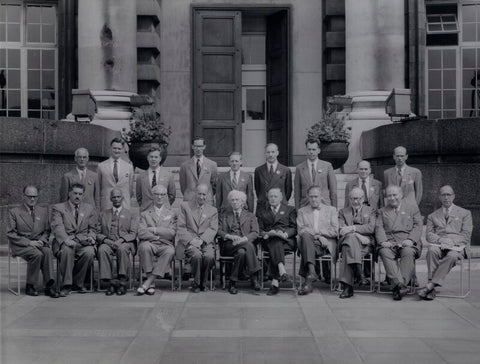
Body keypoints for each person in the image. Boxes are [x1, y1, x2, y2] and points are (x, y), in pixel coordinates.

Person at [419, 185, 473, 300]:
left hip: (458, 246)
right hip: (440, 245)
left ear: (453, 196)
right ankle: (431, 287)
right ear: (439, 197)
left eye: (449, 194)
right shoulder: (432, 216)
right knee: (431, 250)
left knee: (452, 256)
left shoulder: (465, 213)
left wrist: (451, 242)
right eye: (443, 195)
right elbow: (429, 235)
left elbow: (466, 235)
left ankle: (430, 285)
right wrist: (441, 240)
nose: (446, 197)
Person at [7, 185, 60, 298]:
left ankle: (49, 285)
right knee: (37, 254)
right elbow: (10, 233)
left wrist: (41, 240)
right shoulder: (14, 212)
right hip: (21, 245)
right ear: (23, 196)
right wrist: (29, 243)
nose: (32, 199)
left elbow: (47, 230)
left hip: (38, 242)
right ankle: (30, 285)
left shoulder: (43, 211)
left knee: (47, 251)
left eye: (35, 197)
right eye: (29, 196)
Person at [375, 185, 423, 300]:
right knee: (384, 252)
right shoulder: (382, 211)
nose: (392, 198)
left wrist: (411, 240)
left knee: (408, 252)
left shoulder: (412, 208)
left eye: (394, 195)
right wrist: (383, 241)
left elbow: (418, 226)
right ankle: (400, 285)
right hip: (390, 242)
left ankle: (400, 285)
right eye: (389, 195)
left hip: (407, 241)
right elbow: (378, 227)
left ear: (401, 195)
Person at [51, 183, 98, 296]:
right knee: (67, 251)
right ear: (69, 194)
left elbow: (93, 228)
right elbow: (57, 227)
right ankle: (67, 285)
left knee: (89, 252)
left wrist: (91, 237)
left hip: (82, 242)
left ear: (83, 196)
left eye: (80, 194)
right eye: (75, 193)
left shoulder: (89, 208)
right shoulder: (59, 208)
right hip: (65, 241)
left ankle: (78, 282)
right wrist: (66, 240)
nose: (77, 196)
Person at [296, 186, 338, 295]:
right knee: (305, 237)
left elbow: (335, 230)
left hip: (325, 244)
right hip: (311, 242)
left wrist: (320, 234)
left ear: (321, 197)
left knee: (306, 243)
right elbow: (301, 230)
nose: (313, 199)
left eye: (316, 196)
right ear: (307, 197)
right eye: (311, 197)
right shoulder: (302, 211)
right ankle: (311, 273)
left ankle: (309, 279)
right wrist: (318, 236)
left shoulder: (331, 210)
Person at [217, 190, 261, 294]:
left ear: (242, 202)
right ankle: (254, 277)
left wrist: (244, 239)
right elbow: (218, 230)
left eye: (237, 200)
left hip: (244, 243)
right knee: (247, 246)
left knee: (241, 252)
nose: (235, 202)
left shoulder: (250, 215)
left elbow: (255, 232)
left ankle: (232, 283)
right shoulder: (224, 215)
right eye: (232, 200)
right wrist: (230, 236)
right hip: (229, 244)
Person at [177, 184, 218, 292]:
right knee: (197, 256)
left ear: (207, 195)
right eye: (199, 194)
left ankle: (203, 283)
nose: (201, 197)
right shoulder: (185, 206)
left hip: (206, 241)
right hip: (190, 241)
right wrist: (191, 240)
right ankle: (197, 283)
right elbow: (181, 227)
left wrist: (202, 240)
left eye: (204, 194)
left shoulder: (213, 210)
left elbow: (213, 228)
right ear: (195, 193)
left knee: (209, 257)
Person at [137, 185, 177, 296]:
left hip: (166, 244)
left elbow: (172, 233)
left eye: (162, 194)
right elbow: (141, 232)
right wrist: (157, 237)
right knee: (145, 248)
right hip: (149, 243)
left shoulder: (171, 214)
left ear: (165, 197)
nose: (159, 197)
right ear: (153, 196)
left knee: (170, 251)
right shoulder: (145, 214)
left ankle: (148, 281)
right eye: (157, 194)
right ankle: (151, 283)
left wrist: (154, 229)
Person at [97, 188, 138, 296]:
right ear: (110, 199)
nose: (116, 199)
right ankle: (110, 282)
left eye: (118, 196)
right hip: (108, 242)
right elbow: (97, 231)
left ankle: (122, 281)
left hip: (125, 242)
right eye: (114, 197)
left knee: (122, 249)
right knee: (102, 249)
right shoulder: (103, 214)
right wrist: (106, 240)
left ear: (122, 198)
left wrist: (121, 240)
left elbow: (133, 233)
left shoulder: (130, 214)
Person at [256, 187, 297, 296]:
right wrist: (267, 234)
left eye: (275, 196)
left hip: (287, 241)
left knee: (276, 243)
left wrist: (285, 234)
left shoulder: (290, 209)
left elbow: (294, 228)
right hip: (268, 241)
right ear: (267, 198)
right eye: (271, 196)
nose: (273, 199)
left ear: (281, 197)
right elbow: (259, 230)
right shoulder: (262, 212)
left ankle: (275, 282)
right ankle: (281, 271)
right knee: (275, 241)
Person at [337, 187, 376, 298]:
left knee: (347, 249)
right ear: (349, 199)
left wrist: (353, 228)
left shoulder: (371, 210)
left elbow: (370, 228)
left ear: (363, 198)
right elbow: (342, 230)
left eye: (358, 199)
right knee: (349, 240)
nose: (355, 201)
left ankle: (347, 287)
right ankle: (360, 273)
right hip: (351, 241)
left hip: (365, 245)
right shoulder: (342, 212)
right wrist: (358, 235)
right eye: (353, 199)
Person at [294, 139, 337, 209]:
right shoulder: (299, 168)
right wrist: (297, 209)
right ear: (306, 150)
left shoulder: (327, 166)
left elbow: (333, 191)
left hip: (324, 205)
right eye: (309, 149)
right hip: (305, 206)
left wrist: (334, 208)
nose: (311, 152)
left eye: (314, 149)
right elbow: (297, 192)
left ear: (318, 150)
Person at [96, 137, 134, 210]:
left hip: (124, 205)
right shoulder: (101, 166)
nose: (117, 151)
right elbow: (98, 189)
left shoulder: (129, 167)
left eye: (119, 149)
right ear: (110, 148)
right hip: (106, 205)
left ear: (122, 150)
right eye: (114, 148)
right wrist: (98, 208)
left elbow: (130, 190)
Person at [136, 145, 176, 211]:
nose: (153, 159)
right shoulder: (141, 177)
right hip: (146, 211)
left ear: (160, 158)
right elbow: (139, 197)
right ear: (147, 158)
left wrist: (163, 205)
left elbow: (172, 195)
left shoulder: (168, 175)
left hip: (163, 211)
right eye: (151, 157)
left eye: (156, 157)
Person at [179, 137, 217, 205]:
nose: (198, 149)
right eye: (196, 146)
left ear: (204, 147)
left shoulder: (212, 164)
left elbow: (214, 184)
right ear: (192, 147)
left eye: (200, 146)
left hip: (206, 200)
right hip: (190, 200)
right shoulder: (185, 165)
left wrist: (206, 193)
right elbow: (183, 186)